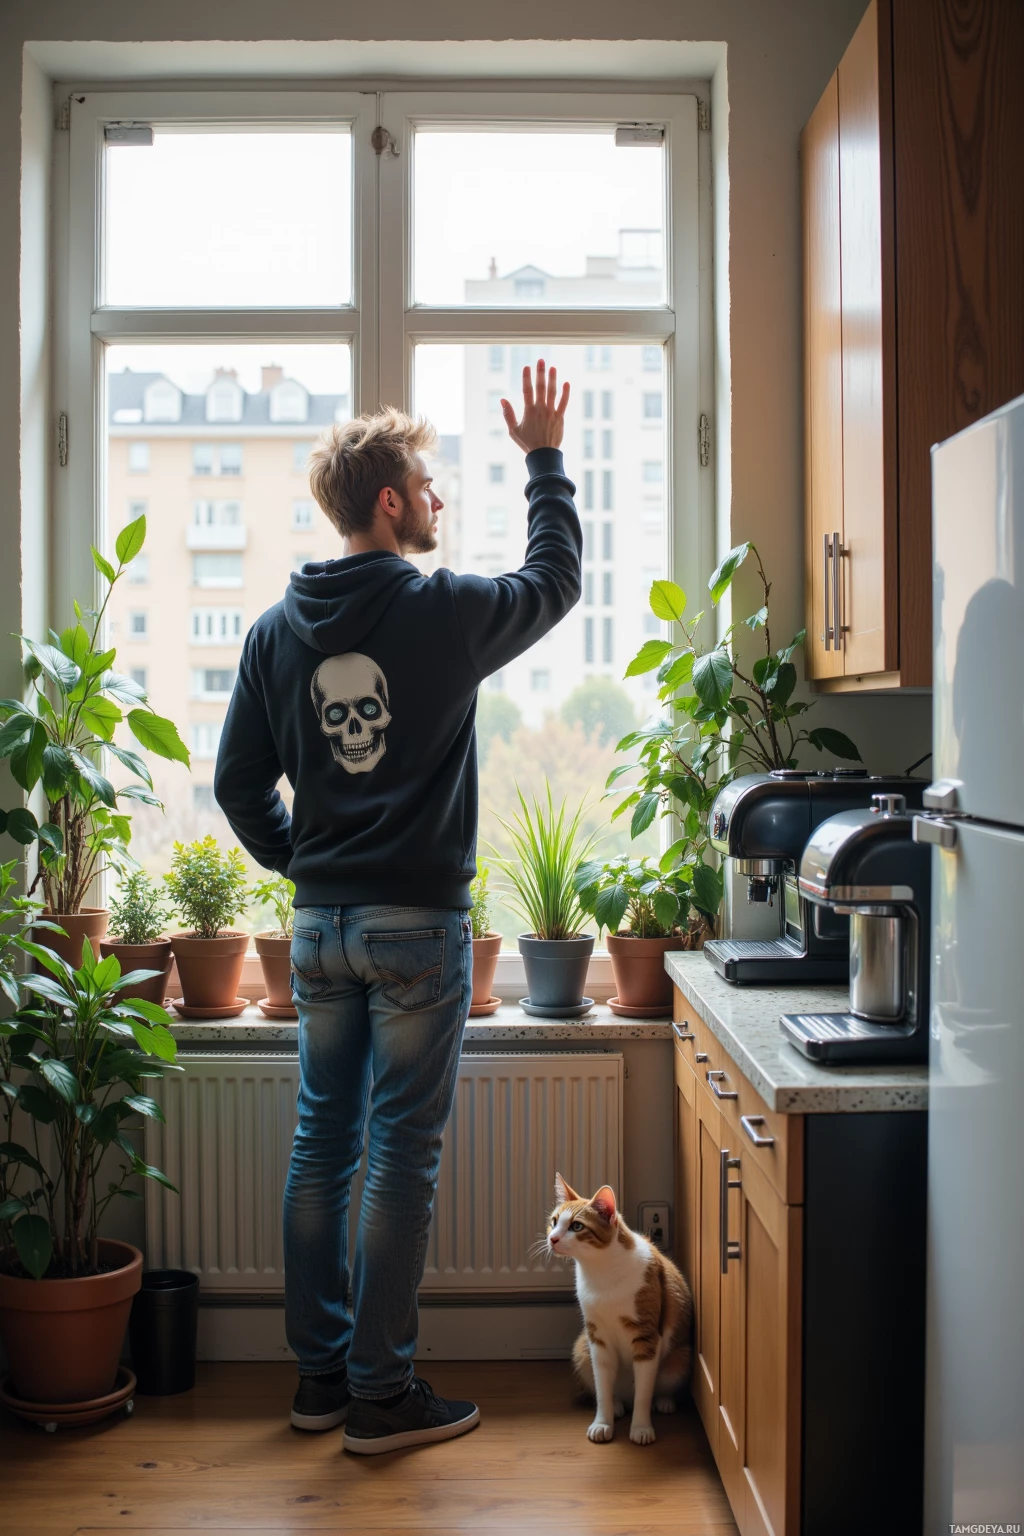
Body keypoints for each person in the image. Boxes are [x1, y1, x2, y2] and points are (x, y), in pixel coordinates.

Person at [214, 361, 580, 1455]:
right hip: (417, 928)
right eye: (426, 483)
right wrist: (546, 459)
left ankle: (321, 1381)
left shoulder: (276, 630)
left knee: (321, 1146)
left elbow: (238, 785)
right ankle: (382, 1395)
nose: (437, 500)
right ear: (389, 500)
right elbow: (553, 584)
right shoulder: (441, 609)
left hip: (320, 928)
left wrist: (312, 865)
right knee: (399, 1157)